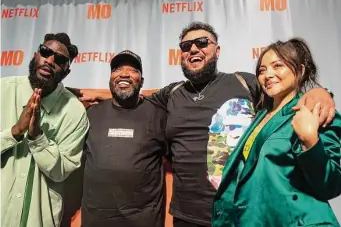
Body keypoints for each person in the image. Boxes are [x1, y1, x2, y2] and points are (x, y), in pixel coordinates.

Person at [74, 22, 335, 227]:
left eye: (202, 42)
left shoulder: (245, 83)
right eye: (186, 46)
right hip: (185, 215)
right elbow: (135, 93)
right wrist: (100, 94)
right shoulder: (172, 93)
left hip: (238, 210)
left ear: (217, 50)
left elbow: (285, 93)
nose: (194, 49)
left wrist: (319, 92)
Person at [213, 37, 341, 227]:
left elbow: (331, 185)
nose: (268, 75)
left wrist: (310, 142)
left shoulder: (317, 111)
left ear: (300, 70)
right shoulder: (259, 117)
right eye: (262, 70)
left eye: (277, 66)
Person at [1, 33, 89, 227]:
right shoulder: (2, 90)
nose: (50, 60)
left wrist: (37, 137)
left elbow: (62, 171)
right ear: (35, 55)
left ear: (66, 71)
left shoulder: (74, 111)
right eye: (45, 52)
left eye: (59, 60)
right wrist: (14, 132)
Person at [81, 50, 168, 227]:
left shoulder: (158, 115)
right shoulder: (90, 114)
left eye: (133, 70)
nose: (124, 74)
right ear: (110, 79)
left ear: (141, 81)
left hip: (143, 221)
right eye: (117, 69)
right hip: (96, 221)